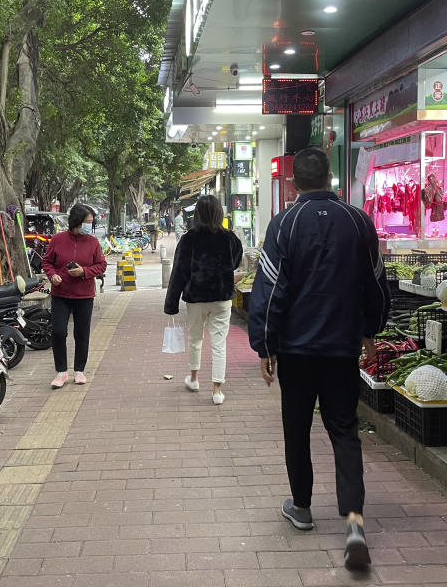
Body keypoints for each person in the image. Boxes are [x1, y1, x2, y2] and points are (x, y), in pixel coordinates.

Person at [247, 147, 389, 571]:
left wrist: (265, 345)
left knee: (297, 426)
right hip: (341, 347)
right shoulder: (357, 221)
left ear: (293, 183)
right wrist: (370, 330)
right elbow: (377, 282)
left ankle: (303, 508)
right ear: (331, 177)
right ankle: (354, 521)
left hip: (296, 349)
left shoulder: (284, 223)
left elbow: (270, 290)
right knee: (344, 429)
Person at [164, 195, 243, 405]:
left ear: (197, 213)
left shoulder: (189, 238)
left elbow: (179, 272)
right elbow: (235, 262)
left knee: (195, 339)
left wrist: (171, 303)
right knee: (219, 343)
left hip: (196, 297)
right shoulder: (230, 238)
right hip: (222, 297)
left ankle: (194, 379)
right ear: (220, 213)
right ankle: (217, 390)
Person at [43, 204, 107, 389]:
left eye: (91, 221)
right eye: (87, 221)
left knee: (81, 333)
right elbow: (47, 262)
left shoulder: (93, 242)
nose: (90, 224)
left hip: (84, 295)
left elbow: (101, 265)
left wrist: (84, 271)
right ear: (76, 221)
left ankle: (79, 370)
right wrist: (52, 275)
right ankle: (61, 371)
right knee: (58, 332)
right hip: (61, 294)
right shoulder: (57, 240)